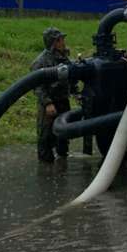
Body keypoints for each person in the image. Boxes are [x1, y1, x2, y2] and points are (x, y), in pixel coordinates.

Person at [31, 27, 72, 162]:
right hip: (49, 104)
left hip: (63, 101)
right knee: (45, 136)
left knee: (63, 135)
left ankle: (62, 161)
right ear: (54, 42)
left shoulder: (64, 58)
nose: (64, 42)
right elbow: (37, 86)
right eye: (61, 40)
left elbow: (72, 77)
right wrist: (48, 103)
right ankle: (45, 166)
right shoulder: (41, 62)